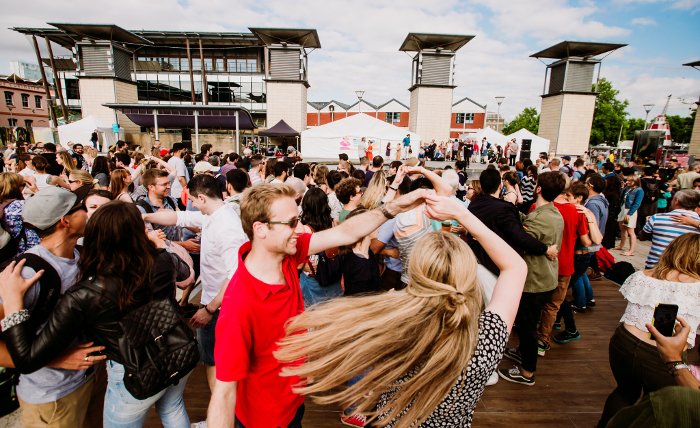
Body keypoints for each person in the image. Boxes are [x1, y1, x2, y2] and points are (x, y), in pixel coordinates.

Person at [273, 192, 527, 428]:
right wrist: (463, 215)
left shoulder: (392, 327)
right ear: (470, 276)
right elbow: (516, 267)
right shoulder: (488, 338)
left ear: (415, 274)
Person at [206, 183, 430, 428]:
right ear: (260, 229)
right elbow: (224, 392)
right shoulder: (239, 305)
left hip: (292, 404)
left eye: (298, 219)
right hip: (266, 420)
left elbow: (344, 233)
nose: (300, 228)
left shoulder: (287, 253)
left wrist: (393, 207)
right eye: (291, 223)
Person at [0, 200, 195, 428]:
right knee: (173, 408)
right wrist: (157, 244)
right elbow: (184, 274)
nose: (86, 212)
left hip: (130, 369)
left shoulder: (86, 292)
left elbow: (27, 358)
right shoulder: (160, 260)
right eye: (84, 207)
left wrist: (14, 304)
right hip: (173, 351)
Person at [0, 186, 107, 428]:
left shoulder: (81, 255)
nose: (88, 214)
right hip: (52, 395)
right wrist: (54, 358)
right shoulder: (25, 273)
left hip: (90, 378)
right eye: (82, 208)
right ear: (65, 220)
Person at [597, 233, 700, 427]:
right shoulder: (696, 287)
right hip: (662, 356)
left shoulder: (641, 276)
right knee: (658, 404)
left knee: (624, 392)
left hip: (624, 342)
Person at [498, 171, 565, 386]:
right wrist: (516, 209)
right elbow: (529, 228)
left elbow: (522, 239)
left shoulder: (540, 216)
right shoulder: (554, 213)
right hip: (548, 278)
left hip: (535, 281)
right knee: (528, 323)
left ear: (538, 189)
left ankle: (527, 371)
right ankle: (521, 353)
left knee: (526, 328)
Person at [466, 169, 557, 277]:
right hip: (496, 266)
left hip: (476, 261)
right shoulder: (504, 208)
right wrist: (545, 249)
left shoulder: (474, 204)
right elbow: (519, 236)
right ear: (500, 186)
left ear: (481, 187)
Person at [537, 173, 590, 356]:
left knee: (535, 302)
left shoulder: (538, 207)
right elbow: (587, 241)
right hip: (564, 263)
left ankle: (527, 341)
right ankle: (541, 340)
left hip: (541, 263)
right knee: (553, 305)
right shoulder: (577, 211)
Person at [298, 188, 343, 306]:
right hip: (333, 274)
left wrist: (302, 265)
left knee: (314, 315)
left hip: (314, 279)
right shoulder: (332, 222)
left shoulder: (305, 230)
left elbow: (293, 255)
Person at [640, 189, 700, 268]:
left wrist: (649, 225)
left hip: (655, 267)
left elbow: (642, 237)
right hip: (684, 270)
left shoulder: (657, 218)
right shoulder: (697, 223)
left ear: (676, 201)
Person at [0, 172, 41, 259]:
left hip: (8, 251)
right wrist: (36, 190)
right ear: (16, 188)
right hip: (26, 250)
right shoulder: (21, 205)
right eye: (23, 185)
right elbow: (51, 209)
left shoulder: (2, 205)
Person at [614, 175, 644, 257]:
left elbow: (637, 203)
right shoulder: (627, 188)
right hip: (623, 209)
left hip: (629, 211)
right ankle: (621, 245)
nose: (627, 182)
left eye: (629, 181)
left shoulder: (639, 190)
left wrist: (629, 214)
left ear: (634, 181)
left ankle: (631, 250)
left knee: (630, 230)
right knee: (623, 228)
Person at [168, 143, 190, 210]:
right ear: (179, 151)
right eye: (184, 150)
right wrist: (187, 190)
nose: (185, 152)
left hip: (173, 192)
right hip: (180, 193)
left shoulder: (170, 160)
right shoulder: (179, 162)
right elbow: (181, 178)